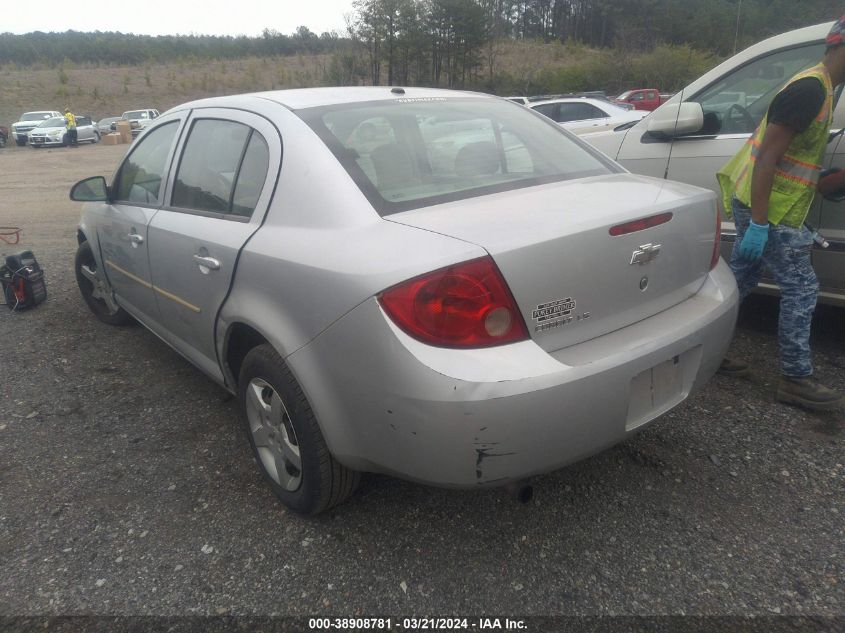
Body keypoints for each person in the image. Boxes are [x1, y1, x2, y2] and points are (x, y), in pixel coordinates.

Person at [716, 16, 845, 411]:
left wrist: (832, 180)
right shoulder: (810, 89)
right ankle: (795, 379)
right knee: (802, 286)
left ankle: (706, 349)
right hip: (767, 208)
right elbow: (768, 157)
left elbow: (795, 165)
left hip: (769, 203)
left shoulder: (825, 88)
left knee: (742, 276)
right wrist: (758, 223)